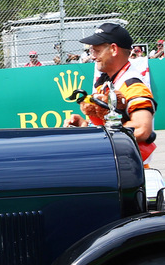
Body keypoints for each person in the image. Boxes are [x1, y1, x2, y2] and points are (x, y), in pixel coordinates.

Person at [67, 23, 157, 163]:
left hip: (130, 171)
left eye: (97, 50)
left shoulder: (133, 84)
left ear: (114, 49)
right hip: (116, 166)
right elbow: (106, 127)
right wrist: (84, 126)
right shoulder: (107, 82)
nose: (93, 56)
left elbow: (142, 129)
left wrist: (101, 136)